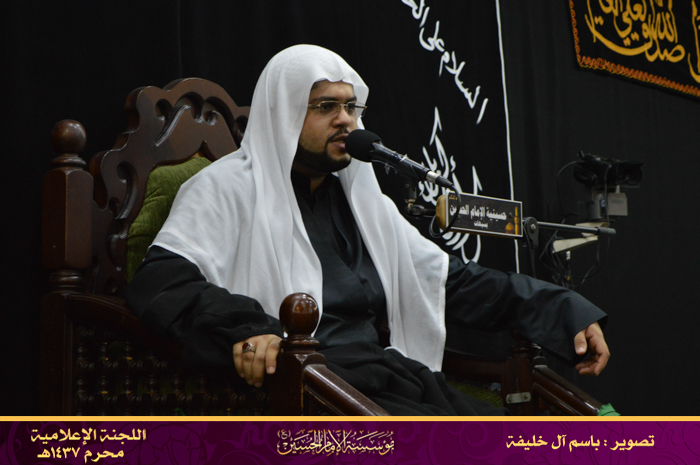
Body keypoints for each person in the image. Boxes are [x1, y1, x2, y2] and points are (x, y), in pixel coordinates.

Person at [124, 44, 609, 415]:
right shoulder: (227, 188)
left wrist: (560, 308)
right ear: (283, 113)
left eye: (351, 108)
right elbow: (161, 282)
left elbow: (450, 283)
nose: (345, 121)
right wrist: (252, 331)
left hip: (383, 381)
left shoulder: (361, 200)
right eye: (325, 107)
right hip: (307, 391)